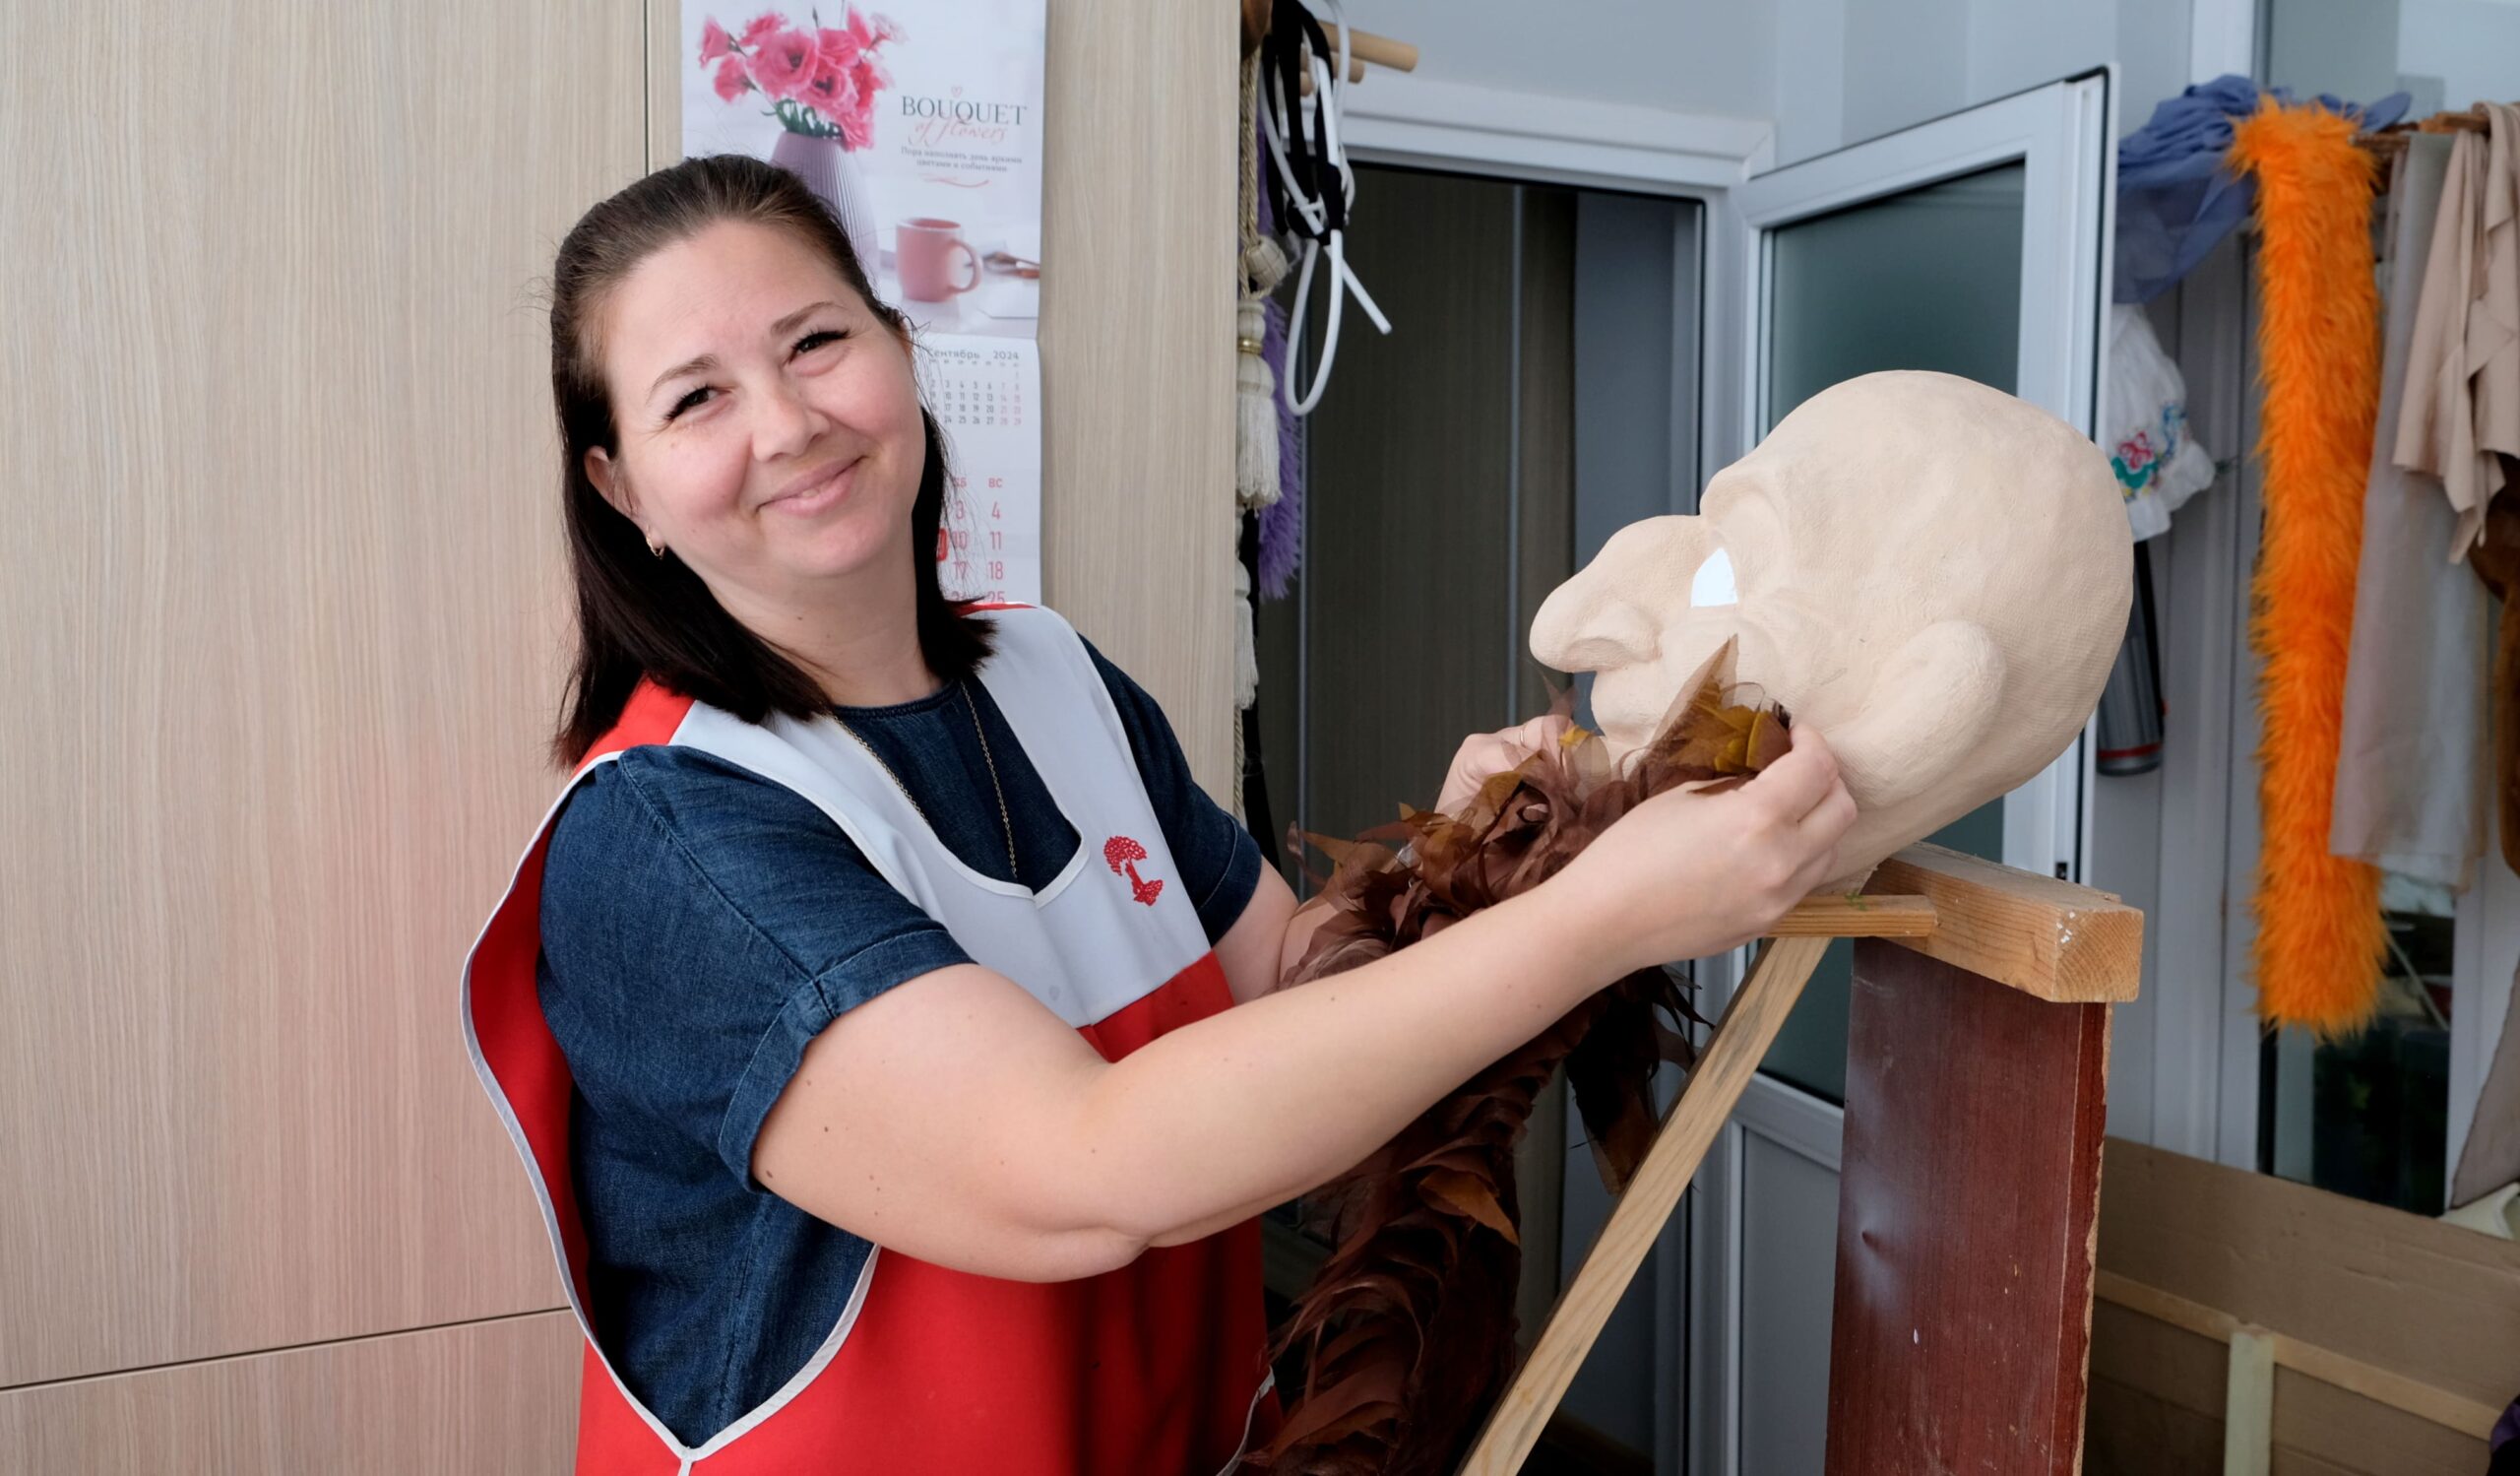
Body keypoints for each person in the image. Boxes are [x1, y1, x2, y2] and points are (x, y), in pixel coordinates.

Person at [461, 154, 1856, 1475]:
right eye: (694, 399)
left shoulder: (1049, 674)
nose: (787, 422)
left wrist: (1470, 855)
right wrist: (1602, 922)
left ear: (896, 348)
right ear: (621, 489)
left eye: (816, 342)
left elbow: (1294, 998)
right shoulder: (672, 837)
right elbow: (1085, 1169)